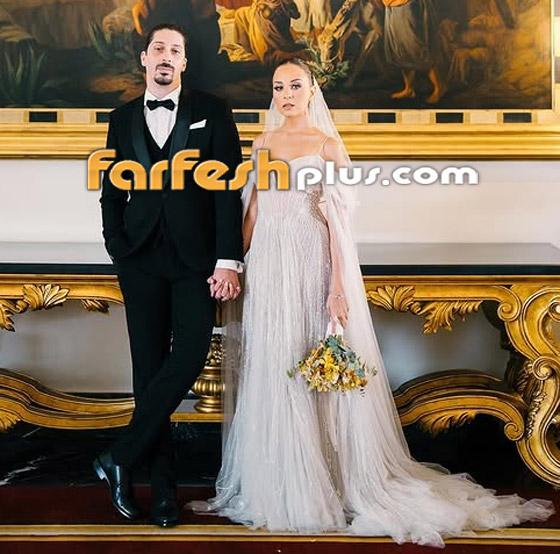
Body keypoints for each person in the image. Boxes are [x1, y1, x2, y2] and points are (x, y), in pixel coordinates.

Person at [190, 57, 554, 547]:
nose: (286, 95)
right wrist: (233, 264)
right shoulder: (262, 142)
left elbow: (340, 225)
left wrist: (338, 287)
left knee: (308, 362)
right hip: (270, 265)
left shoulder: (326, 144)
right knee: (273, 362)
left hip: (311, 260)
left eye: (295, 85)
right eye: (278, 87)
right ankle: (278, 482)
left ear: (312, 90)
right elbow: (253, 210)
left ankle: (325, 480)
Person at [94, 23, 244, 528]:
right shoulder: (120, 118)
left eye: (174, 50)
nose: (165, 55)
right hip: (138, 258)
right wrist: (116, 245)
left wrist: (228, 259)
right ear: (144, 58)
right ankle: (162, 493)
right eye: (158, 48)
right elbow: (112, 190)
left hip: (195, 259)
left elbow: (228, 190)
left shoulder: (213, 111)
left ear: (184, 62)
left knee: (190, 355)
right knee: (149, 372)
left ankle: (118, 456)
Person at [383, 0, 445, 103]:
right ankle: (409, 89)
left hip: (407, 7)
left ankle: (439, 88)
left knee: (417, 49)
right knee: (402, 50)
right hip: (392, 10)